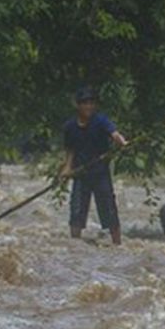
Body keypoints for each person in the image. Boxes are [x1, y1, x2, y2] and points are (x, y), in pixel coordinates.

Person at [60, 86, 128, 244]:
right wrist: (67, 168)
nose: (89, 106)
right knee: (76, 210)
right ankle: (74, 245)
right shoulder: (70, 127)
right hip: (81, 174)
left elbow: (114, 133)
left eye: (91, 103)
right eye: (85, 103)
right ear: (78, 105)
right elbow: (70, 150)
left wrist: (120, 140)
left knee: (109, 209)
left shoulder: (100, 120)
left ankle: (117, 244)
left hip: (100, 173)